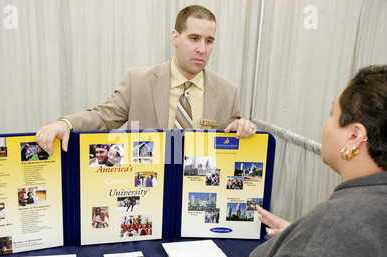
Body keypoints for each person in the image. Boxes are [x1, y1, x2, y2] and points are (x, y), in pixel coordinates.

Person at [240, 65, 387, 257]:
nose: (326, 125)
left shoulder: (313, 254)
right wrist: (300, 237)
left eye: (332, 115)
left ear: (354, 136)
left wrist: (309, 245)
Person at [36, 5, 257, 155]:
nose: (202, 48)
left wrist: (243, 128)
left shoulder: (228, 91)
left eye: (209, 41)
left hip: (199, 198)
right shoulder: (138, 81)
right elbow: (102, 117)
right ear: (175, 38)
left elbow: (233, 141)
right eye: (194, 38)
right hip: (148, 191)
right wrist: (65, 123)